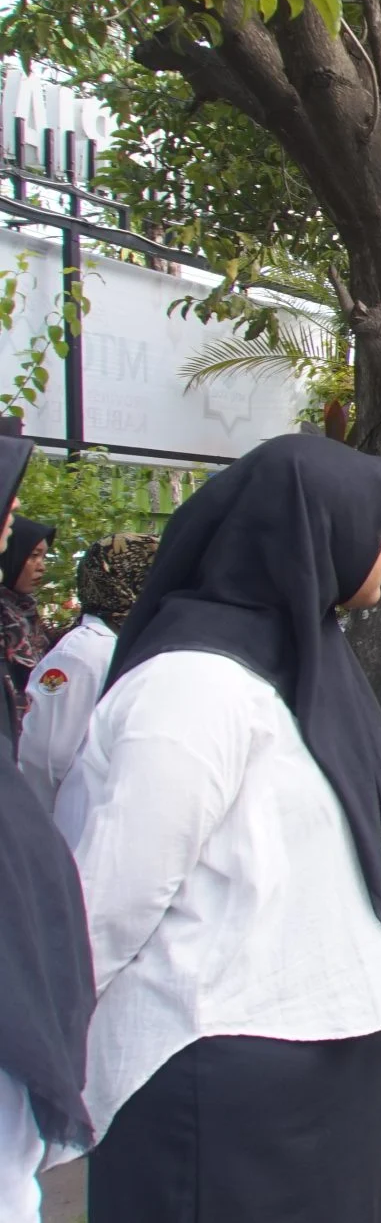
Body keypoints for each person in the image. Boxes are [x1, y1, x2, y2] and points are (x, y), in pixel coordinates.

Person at [77, 434, 381, 1223]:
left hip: (318, 1058)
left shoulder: (305, 661)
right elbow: (109, 899)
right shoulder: (193, 687)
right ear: (312, 537)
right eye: (372, 526)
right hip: (215, 1068)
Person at [0, 432, 95, 1223]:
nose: (24, 546)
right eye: (18, 531)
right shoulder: (79, 651)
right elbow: (45, 752)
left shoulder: (25, 623)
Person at [19, 532, 156, 831]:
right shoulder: (84, 652)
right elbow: (46, 754)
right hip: (65, 825)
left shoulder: (124, 643)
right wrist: (38, 827)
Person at [0, 515, 57, 709]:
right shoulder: (5, 618)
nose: (42, 567)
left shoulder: (26, 613)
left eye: (44, 557)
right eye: (33, 555)